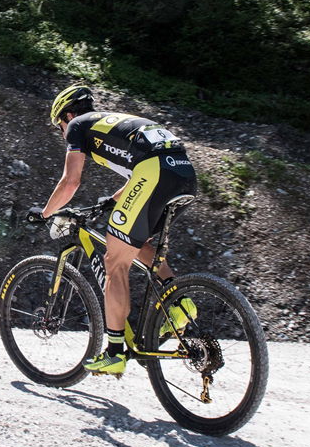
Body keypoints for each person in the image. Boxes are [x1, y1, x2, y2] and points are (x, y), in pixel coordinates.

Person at [35, 84, 197, 377]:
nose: (62, 132)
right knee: (135, 243)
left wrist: (44, 213)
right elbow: (142, 168)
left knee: (114, 261)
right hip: (184, 173)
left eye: (59, 124)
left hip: (155, 172)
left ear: (68, 114)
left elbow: (70, 183)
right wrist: (110, 201)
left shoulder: (77, 126)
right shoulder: (112, 123)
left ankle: (113, 352)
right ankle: (181, 303)